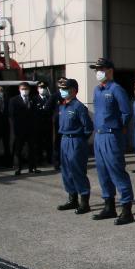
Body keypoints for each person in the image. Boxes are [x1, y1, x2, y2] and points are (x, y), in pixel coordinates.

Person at [90, 58, 134, 225]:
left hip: (111, 135)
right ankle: (109, 205)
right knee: (102, 172)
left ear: (110, 71)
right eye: (96, 69)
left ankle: (126, 209)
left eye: (101, 69)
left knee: (117, 170)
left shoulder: (116, 89)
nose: (98, 72)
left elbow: (126, 112)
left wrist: (117, 128)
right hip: (99, 135)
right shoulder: (97, 90)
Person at [55, 79, 93, 214]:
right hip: (64, 140)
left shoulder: (79, 107)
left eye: (65, 88)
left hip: (76, 141)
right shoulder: (62, 106)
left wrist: (80, 141)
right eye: (61, 88)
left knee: (77, 171)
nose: (62, 91)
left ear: (73, 90)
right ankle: (72, 199)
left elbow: (88, 127)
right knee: (66, 171)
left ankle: (84, 202)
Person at [9, 82, 39, 175]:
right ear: (19, 89)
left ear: (29, 90)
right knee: (18, 149)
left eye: (26, 89)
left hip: (31, 129)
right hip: (19, 129)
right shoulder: (13, 100)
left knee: (32, 149)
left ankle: (32, 167)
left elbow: (35, 113)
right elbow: (11, 115)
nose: (24, 91)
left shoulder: (32, 99)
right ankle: (18, 168)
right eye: (22, 89)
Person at [33, 81, 55, 166]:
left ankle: (49, 159)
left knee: (49, 143)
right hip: (38, 125)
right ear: (38, 89)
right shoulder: (34, 99)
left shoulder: (49, 98)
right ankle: (39, 160)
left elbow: (52, 110)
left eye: (44, 88)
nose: (42, 89)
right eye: (41, 88)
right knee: (39, 144)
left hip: (48, 124)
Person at [52, 76, 68, 171]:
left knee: (65, 143)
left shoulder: (68, 95)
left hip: (67, 123)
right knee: (57, 143)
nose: (62, 85)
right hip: (58, 123)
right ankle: (56, 163)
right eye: (61, 83)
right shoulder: (55, 96)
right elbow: (47, 108)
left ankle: (65, 162)